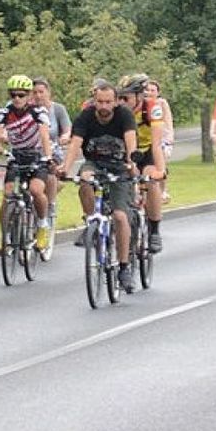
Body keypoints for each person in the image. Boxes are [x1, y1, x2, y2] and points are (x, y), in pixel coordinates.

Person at [59, 79, 139, 292]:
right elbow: (75, 143)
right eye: (99, 102)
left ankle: (124, 267)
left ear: (115, 102)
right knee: (84, 179)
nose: (103, 106)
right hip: (94, 163)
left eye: (107, 102)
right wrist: (65, 167)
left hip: (119, 166)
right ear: (94, 101)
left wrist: (132, 163)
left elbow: (131, 142)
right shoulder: (86, 116)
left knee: (121, 216)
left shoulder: (124, 115)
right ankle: (91, 221)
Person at [0, 74, 54, 255]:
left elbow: (45, 135)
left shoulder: (38, 112)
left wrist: (48, 157)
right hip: (17, 156)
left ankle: (42, 226)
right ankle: (5, 237)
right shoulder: (5, 112)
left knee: (36, 190)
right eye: (13, 95)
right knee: (8, 195)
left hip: (37, 155)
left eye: (21, 95)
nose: (16, 99)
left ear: (29, 95)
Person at [116, 74, 167, 253]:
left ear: (139, 96)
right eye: (119, 97)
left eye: (126, 98)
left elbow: (156, 144)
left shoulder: (152, 108)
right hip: (124, 153)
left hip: (147, 152)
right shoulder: (118, 110)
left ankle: (154, 230)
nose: (121, 101)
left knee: (151, 181)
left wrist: (160, 171)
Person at [33, 77, 71, 226]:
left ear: (48, 92)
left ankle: (51, 205)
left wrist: (65, 136)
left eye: (41, 92)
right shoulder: (27, 110)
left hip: (52, 150)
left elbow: (67, 128)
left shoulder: (58, 109)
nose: (38, 95)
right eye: (34, 92)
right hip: (32, 151)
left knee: (50, 172)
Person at [146, 79, 174, 202]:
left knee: (161, 163)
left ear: (158, 92)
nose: (150, 92)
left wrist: (169, 137)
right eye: (148, 90)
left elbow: (168, 120)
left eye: (153, 90)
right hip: (148, 138)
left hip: (162, 138)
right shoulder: (142, 104)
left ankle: (163, 190)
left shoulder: (162, 103)